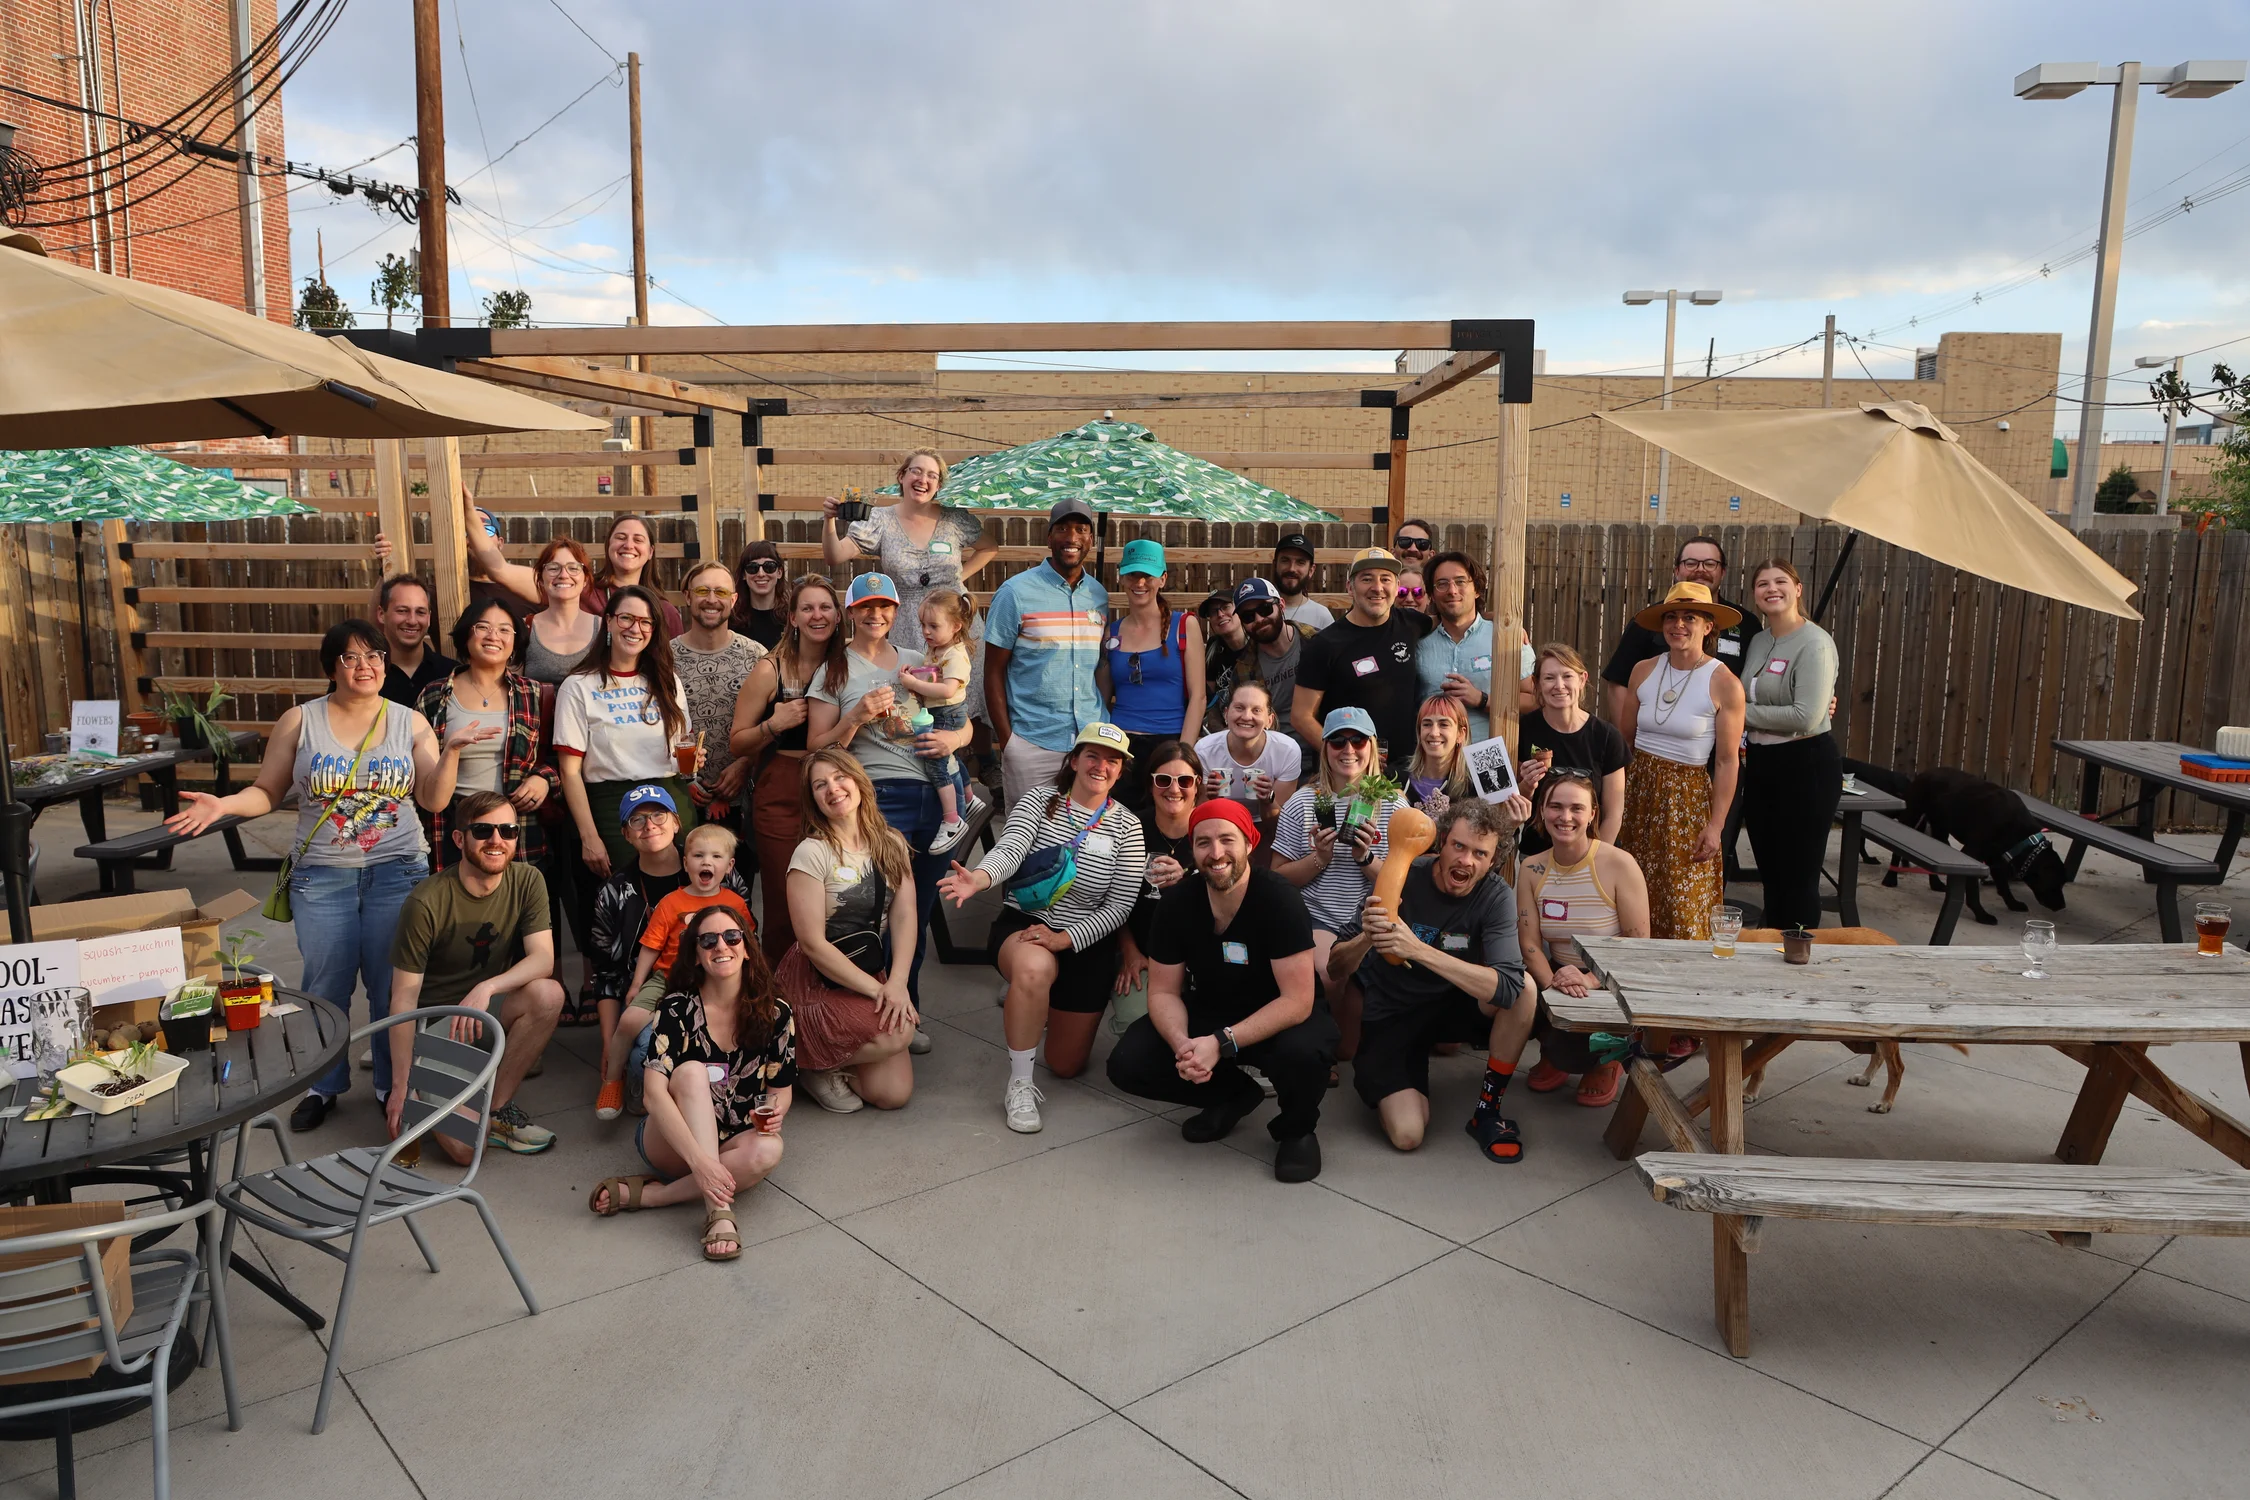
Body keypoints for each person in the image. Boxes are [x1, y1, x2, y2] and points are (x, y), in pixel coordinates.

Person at [165, 618, 444, 1131]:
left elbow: (431, 798)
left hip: (398, 870)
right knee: (325, 985)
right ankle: (323, 1085)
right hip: (322, 876)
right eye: (351, 657)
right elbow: (268, 792)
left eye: (374, 656)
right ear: (331, 667)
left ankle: (391, 1085)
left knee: (391, 987)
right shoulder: (301, 720)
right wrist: (224, 804)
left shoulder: (412, 722)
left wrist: (454, 756)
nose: (365, 666)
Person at [1104, 799, 1334, 1183]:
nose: (1216, 853)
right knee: (1129, 1062)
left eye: (1227, 840)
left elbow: (1297, 1001)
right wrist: (1183, 1044)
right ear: (1192, 850)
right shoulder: (1177, 904)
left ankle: (1297, 1130)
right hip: (1213, 1006)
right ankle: (1232, 1095)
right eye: (1203, 842)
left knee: (1304, 1053)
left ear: (1250, 843)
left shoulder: (1279, 899)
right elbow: (1163, 993)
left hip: (1278, 1012)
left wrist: (1221, 1042)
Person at [937, 723, 1144, 1135]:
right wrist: (980, 878)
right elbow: (1010, 850)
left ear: (1120, 771)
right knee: (1035, 970)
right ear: (1074, 760)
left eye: (1112, 760)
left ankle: (1036, 1007)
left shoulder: (1128, 826)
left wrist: (1065, 939)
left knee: (1065, 1065)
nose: (1101, 766)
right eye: (1092, 755)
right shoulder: (1039, 800)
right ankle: (1020, 1084)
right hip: (1028, 924)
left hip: (1085, 940)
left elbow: (1120, 905)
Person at [1330, 799, 1536, 1163]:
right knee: (1407, 1134)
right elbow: (1335, 967)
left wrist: (1418, 950)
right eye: (1458, 846)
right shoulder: (1403, 873)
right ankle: (1400, 1074)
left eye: (1480, 853)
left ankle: (1488, 1110)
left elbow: (1507, 987)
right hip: (1394, 1011)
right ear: (1441, 843)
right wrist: (1365, 939)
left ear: (1493, 861)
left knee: (1525, 990)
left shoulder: (1495, 895)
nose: (1466, 860)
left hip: (1452, 1003)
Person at [807, 572, 969, 1034]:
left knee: (917, 914)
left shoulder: (920, 658)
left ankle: (907, 1013)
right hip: (879, 798)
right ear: (851, 613)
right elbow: (817, 749)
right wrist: (856, 716)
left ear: (896, 613)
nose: (875, 615)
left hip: (936, 798)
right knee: (880, 912)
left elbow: (961, 720)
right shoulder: (835, 670)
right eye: (865, 607)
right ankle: (873, 1017)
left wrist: (955, 739)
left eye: (884, 607)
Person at [589, 904, 793, 1264]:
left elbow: (780, 1090)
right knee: (690, 1072)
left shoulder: (775, 1013)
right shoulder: (675, 1009)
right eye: (708, 941)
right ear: (696, 956)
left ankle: (655, 1196)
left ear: (747, 948)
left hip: (734, 1135)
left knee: (769, 1149)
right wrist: (700, 1161)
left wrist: (776, 1112)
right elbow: (653, 1095)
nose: (721, 946)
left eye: (732, 937)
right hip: (673, 1143)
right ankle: (719, 1212)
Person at [383, 791, 564, 1158]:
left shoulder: (528, 880)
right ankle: (447, 1093)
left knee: (548, 994)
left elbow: (543, 959)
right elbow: (403, 997)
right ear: (459, 838)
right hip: (438, 1028)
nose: (497, 840)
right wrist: (401, 1084)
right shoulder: (426, 901)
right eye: (483, 831)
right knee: (465, 1150)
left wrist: (488, 987)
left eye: (508, 830)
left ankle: (496, 1109)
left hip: (485, 1013)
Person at [588, 784, 753, 1121]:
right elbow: (614, 965)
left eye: (659, 815)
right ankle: (617, 1079)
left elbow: (748, 940)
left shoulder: (721, 875)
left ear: (677, 823)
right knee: (644, 1046)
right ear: (626, 834)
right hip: (665, 977)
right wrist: (610, 1038)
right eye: (637, 820)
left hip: (716, 978)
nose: (649, 825)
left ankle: (720, 1092)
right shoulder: (621, 892)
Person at [554, 585, 700, 947]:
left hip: (671, 798)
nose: (636, 628)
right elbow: (570, 771)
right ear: (608, 622)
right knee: (628, 913)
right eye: (626, 618)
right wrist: (589, 837)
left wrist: (694, 762)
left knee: (684, 907)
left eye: (646, 622)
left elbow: (681, 752)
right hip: (612, 805)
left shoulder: (667, 681)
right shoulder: (578, 686)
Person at [777, 749, 920, 1113]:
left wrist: (898, 983)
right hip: (817, 979)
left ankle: (830, 1059)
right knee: (899, 1033)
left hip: (867, 966)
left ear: (859, 781)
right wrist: (881, 993)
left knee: (892, 1094)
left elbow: (905, 916)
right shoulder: (812, 852)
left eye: (840, 777)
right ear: (813, 799)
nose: (833, 789)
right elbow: (812, 943)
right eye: (820, 785)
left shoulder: (892, 842)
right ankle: (809, 1064)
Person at [1617, 583, 1746, 941]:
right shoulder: (1643, 670)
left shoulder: (1725, 683)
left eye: (1690, 617)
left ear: (1708, 626)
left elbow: (1727, 762)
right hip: (1638, 791)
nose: (1678, 625)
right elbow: (1624, 742)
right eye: (1671, 617)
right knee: (1632, 891)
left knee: (1681, 901)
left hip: (1686, 800)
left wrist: (1716, 825)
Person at [1270, 707, 1398, 1065]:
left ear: (1372, 746)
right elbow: (1277, 877)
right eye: (1338, 741)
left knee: (1349, 1050)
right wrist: (1319, 858)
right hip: (1318, 916)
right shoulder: (1304, 802)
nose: (1348, 749)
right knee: (1327, 974)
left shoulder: (1392, 804)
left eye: (1358, 740)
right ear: (1324, 748)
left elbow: (1401, 882)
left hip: (1371, 919)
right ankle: (1314, 1051)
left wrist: (1365, 857)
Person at [729, 574, 845, 964]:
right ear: (792, 617)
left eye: (825, 607)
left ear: (838, 615)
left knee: (836, 900)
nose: (817, 615)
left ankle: (827, 990)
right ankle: (779, 991)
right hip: (782, 788)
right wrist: (773, 725)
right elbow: (737, 741)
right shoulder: (771, 670)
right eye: (807, 608)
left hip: (837, 789)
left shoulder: (848, 663)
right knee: (785, 903)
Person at [1517, 770, 1650, 1108]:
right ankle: (1554, 1050)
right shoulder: (1531, 868)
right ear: (1542, 811)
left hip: (1612, 975)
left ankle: (1610, 1058)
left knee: (1595, 1025)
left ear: (1592, 814)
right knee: (1514, 989)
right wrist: (1554, 986)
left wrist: (1590, 980)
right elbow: (1529, 943)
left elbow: (1637, 945)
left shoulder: (1620, 864)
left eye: (1576, 808)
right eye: (1556, 807)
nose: (1565, 817)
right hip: (1559, 971)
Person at [518, 536, 604, 1017]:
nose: (563, 575)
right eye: (553, 567)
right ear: (540, 577)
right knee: (540, 879)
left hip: (588, 766)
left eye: (573, 567)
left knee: (584, 878)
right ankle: (549, 981)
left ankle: (591, 978)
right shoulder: (525, 629)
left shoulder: (603, 629)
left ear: (586, 577)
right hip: (535, 766)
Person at [985, 497, 1109, 812]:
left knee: (1086, 833)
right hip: (1032, 743)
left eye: (1081, 529)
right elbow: (993, 672)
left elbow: (1099, 665)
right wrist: (1009, 741)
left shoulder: (1097, 595)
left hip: (1090, 743)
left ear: (1091, 540)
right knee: (1028, 837)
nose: (1072, 537)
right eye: (1063, 528)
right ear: (1049, 537)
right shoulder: (1014, 593)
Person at [415, 598, 553, 872]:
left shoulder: (534, 694)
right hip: (453, 826)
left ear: (515, 642)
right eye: (483, 627)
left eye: (504, 630)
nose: (493, 636)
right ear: (467, 634)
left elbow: (557, 757)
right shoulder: (434, 696)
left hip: (517, 827)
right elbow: (418, 775)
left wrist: (544, 779)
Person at [1741, 558, 1842, 932]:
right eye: (1762, 583)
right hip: (1762, 763)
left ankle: (1798, 950)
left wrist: (1734, 712)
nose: (1772, 589)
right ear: (1755, 595)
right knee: (1771, 871)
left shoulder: (1816, 643)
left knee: (1799, 876)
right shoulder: (1758, 641)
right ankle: (1773, 945)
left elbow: (1805, 716)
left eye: (1780, 581)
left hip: (1805, 765)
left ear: (1797, 589)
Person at [823, 448, 999, 657]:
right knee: (912, 676)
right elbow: (835, 556)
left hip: (955, 625)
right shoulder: (880, 520)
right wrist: (829, 520)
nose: (923, 479)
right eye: (916, 471)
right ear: (902, 476)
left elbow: (989, 547)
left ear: (938, 485)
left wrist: (958, 578)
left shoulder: (954, 519)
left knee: (962, 677)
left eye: (932, 475)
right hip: (908, 628)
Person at [1292, 547, 1434, 773]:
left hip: (1406, 768)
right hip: (1349, 774)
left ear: (1396, 586)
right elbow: (1301, 716)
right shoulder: (1324, 645)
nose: (1377, 587)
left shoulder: (1411, 623)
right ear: (1350, 587)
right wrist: (1347, 755)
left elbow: (1451, 621)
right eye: (1367, 579)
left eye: (1385, 579)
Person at [1600, 535, 1750, 727]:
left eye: (1710, 564)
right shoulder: (1648, 623)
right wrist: (1626, 738)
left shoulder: (1747, 624)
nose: (1700, 569)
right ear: (1677, 571)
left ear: (1723, 572)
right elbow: (1619, 682)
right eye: (1691, 563)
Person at [1097, 538, 1205, 799]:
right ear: (1121, 578)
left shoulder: (1184, 625)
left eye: (1148, 576)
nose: (1140, 583)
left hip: (1168, 742)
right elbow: (1100, 698)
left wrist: (1182, 754)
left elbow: (1198, 697)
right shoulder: (1111, 632)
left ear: (1163, 579)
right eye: (1133, 575)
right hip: (1120, 745)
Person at [468, 512, 686, 639]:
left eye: (638, 540)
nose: (628, 545)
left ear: (650, 552)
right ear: (608, 545)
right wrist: (468, 511)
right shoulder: (578, 588)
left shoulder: (665, 611)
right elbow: (500, 569)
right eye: (620, 537)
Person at [671, 559, 767, 827]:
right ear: (687, 596)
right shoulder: (664, 658)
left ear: (733, 600)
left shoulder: (757, 656)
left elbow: (773, 725)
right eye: (702, 591)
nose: (711, 600)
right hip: (679, 802)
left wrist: (746, 763)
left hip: (743, 798)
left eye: (721, 592)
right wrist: (684, 777)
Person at [893, 587, 989, 856]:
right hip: (941, 712)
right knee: (950, 759)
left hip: (949, 713)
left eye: (933, 626)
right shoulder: (938, 649)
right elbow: (934, 676)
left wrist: (913, 684)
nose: (926, 631)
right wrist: (915, 673)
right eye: (923, 624)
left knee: (936, 764)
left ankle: (951, 820)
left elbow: (947, 689)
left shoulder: (955, 655)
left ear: (956, 626)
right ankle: (969, 798)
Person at [1516, 644, 1629, 857]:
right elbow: (1513, 804)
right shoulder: (1523, 731)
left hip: (1594, 852)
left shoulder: (1606, 736)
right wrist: (1527, 786)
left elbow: (1614, 814)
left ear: (1582, 679)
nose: (1559, 686)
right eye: (1549, 678)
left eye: (1567, 676)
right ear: (1536, 684)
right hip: (1538, 854)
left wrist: (1593, 862)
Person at [1115, 739, 1204, 1007]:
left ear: (1197, 785)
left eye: (1184, 781)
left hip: (1201, 955)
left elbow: (1229, 894)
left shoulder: (1211, 828)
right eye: (1163, 780)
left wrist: (1185, 881)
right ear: (1151, 784)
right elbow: (1111, 900)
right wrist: (1130, 953)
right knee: (1136, 1015)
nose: (1174, 789)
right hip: (1142, 953)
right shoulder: (1130, 827)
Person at [1209, 577, 1316, 759]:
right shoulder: (1243, 670)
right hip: (1273, 759)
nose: (1259, 619)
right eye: (1248, 616)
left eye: (1265, 609)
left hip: (1324, 753)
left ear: (1281, 605)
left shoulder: (1315, 642)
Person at [1416, 551, 1509, 744]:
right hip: (1434, 753)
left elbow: (1534, 699)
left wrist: (1482, 699)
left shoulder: (1504, 639)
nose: (1452, 590)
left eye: (1460, 582)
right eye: (1442, 584)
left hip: (1488, 752)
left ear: (1477, 589)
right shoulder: (1418, 643)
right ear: (1432, 595)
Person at [1193, 681, 1299, 842]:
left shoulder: (1286, 750)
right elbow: (1199, 814)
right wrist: (1210, 798)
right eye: (1239, 708)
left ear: (1269, 720)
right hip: (1220, 824)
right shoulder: (1205, 750)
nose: (1247, 716)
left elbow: (1279, 826)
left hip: (1266, 830)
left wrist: (1267, 800)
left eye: (1256, 710)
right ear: (1226, 714)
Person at [375, 575, 455, 710]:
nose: (412, 621)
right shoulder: (365, 674)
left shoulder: (451, 674)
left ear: (429, 618)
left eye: (420, 612)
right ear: (381, 614)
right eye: (402, 611)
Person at [1403, 695, 1475, 818]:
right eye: (1427, 724)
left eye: (1444, 724)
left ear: (1460, 734)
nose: (1434, 733)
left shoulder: (1474, 787)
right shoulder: (1396, 777)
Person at [1197, 587, 1247, 732]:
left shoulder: (1258, 645)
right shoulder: (1214, 648)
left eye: (1225, 607)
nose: (1219, 614)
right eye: (1213, 612)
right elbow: (1209, 697)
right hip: (1222, 723)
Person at [728, 539, 789, 650]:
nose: (761, 574)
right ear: (744, 575)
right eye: (752, 568)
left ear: (779, 572)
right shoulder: (732, 619)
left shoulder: (791, 617)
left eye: (769, 567)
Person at [1271, 532, 1334, 631]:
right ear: (1275, 565)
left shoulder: (1322, 616)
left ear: (1311, 570)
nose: (1292, 569)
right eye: (1285, 560)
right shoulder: (1259, 612)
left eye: (1300, 562)